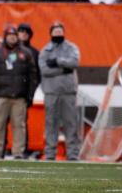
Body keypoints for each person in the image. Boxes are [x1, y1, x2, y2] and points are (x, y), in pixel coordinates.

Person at [0, 25, 37, 159]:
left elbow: (33, 76)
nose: (12, 38)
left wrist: (30, 94)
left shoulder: (26, 53)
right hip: (1, 96)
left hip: (19, 97)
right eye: (10, 36)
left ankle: (18, 152)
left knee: (19, 126)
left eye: (14, 36)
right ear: (5, 37)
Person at [38, 22, 80, 160]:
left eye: (60, 31)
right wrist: (64, 69)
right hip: (51, 92)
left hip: (68, 92)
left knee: (71, 124)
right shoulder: (45, 51)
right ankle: (50, 153)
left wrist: (57, 61)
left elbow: (74, 62)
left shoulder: (72, 47)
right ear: (51, 33)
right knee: (51, 123)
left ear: (64, 32)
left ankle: (73, 154)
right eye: (55, 32)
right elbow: (44, 70)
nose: (58, 34)